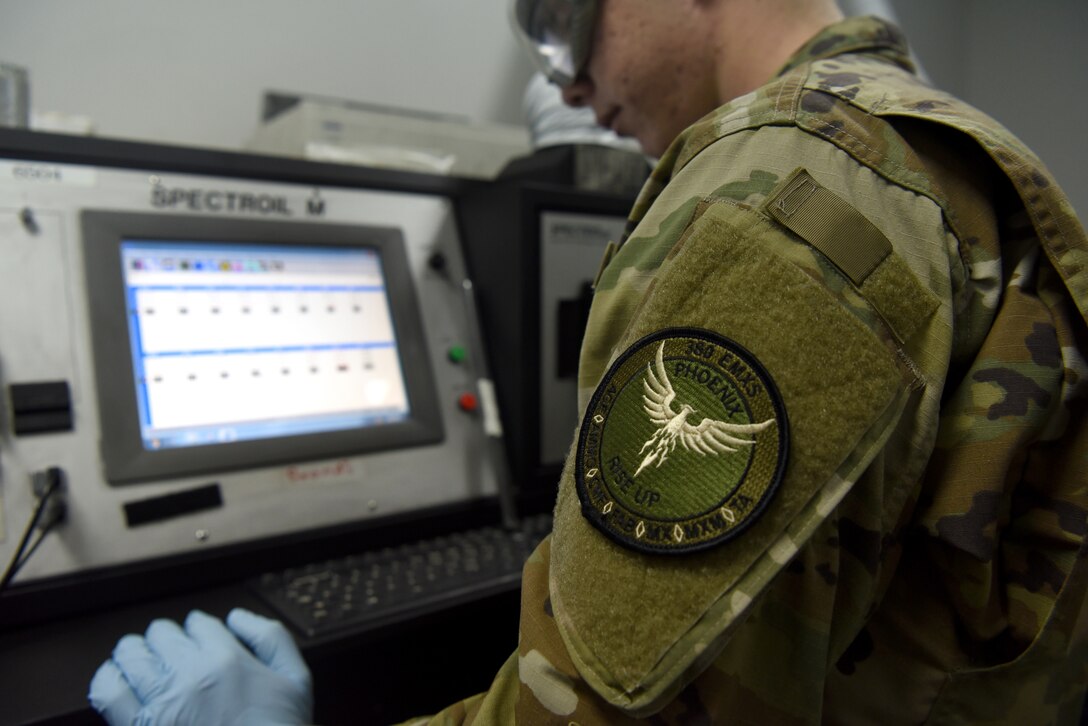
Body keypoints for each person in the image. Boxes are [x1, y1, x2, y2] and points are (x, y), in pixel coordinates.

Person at [90, 0, 1088, 723]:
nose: (567, 86)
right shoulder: (931, 144)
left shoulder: (788, 184)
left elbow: (609, 715)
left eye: (564, 20)